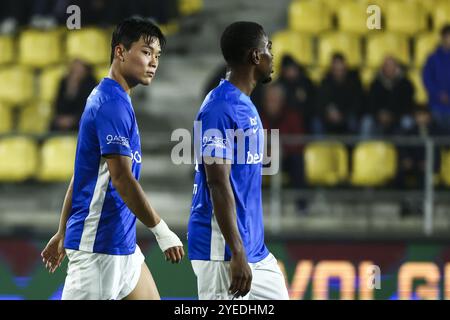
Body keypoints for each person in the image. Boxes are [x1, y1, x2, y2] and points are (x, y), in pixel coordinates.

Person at [41, 17, 184, 300]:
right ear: (120, 52)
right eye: (146, 52)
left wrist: (61, 232)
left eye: (157, 55)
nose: (153, 62)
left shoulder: (115, 99)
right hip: (97, 251)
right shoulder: (111, 104)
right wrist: (161, 230)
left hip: (123, 247)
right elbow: (121, 178)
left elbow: (82, 176)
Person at [188, 21, 289, 300]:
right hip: (222, 250)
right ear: (255, 56)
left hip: (254, 249)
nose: (272, 54)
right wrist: (237, 252)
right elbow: (217, 184)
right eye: (268, 47)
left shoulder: (245, 104)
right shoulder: (219, 107)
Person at [362, 56, 415, 136]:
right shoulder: (375, 83)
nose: (389, 68)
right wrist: (379, 115)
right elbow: (370, 103)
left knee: (407, 122)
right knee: (367, 121)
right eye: (386, 65)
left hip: (398, 116)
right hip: (378, 117)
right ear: (383, 68)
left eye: (392, 65)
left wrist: (392, 115)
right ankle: (364, 147)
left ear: (397, 68)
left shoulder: (406, 84)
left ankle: (404, 148)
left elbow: (408, 105)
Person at [316, 53, 364, 135]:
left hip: (348, 116)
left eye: (340, 67)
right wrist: (329, 113)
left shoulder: (353, 81)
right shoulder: (325, 81)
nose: (338, 70)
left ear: (345, 66)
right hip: (330, 117)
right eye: (335, 67)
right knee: (316, 122)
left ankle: (354, 147)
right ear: (332, 68)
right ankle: (321, 147)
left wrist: (343, 115)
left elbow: (357, 103)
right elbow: (321, 103)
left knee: (354, 121)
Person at [51, 59, 97, 132]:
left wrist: (73, 120)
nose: (76, 72)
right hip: (64, 119)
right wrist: (71, 90)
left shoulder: (91, 84)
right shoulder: (64, 82)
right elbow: (59, 106)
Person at [423, 24, 450, 134]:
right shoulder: (433, 58)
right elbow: (427, 79)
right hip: (436, 104)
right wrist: (439, 94)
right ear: (443, 38)